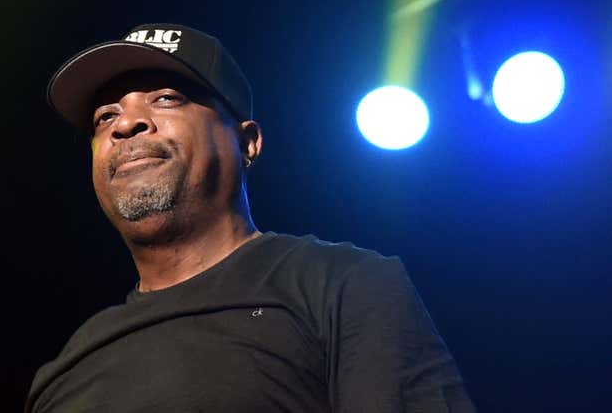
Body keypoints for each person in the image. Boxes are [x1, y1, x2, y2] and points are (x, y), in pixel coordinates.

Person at [25, 22, 477, 412]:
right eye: (106, 117)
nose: (126, 124)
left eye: (165, 98)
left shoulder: (340, 284)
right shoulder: (67, 367)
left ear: (247, 143)